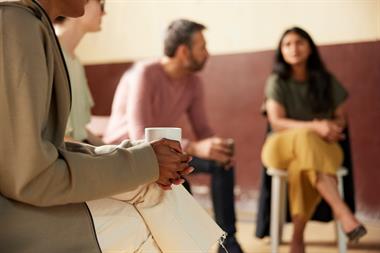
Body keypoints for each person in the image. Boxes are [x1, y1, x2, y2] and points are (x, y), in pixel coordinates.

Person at [0, 0, 193, 252]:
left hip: (32, 189)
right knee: (133, 225)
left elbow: (53, 148)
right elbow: (30, 176)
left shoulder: (31, 25)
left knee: (155, 192)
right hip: (12, 210)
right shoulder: (15, 23)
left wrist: (140, 156)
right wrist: (141, 159)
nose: (102, 6)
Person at [103, 19, 244, 253]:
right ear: (183, 51)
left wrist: (216, 148)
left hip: (164, 152)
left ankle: (228, 243)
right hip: (127, 152)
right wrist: (196, 148)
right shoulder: (145, 74)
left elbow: (203, 129)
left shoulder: (193, 82)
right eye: (202, 47)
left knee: (223, 164)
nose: (207, 53)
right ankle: (183, 244)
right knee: (179, 178)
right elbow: (141, 136)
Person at [261, 27, 366, 253]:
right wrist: (315, 126)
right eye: (287, 44)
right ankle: (342, 211)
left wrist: (331, 127)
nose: (293, 48)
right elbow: (277, 122)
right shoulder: (276, 81)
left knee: (303, 166)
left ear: (310, 48)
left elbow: (340, 120)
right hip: (280, 148)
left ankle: (298, 236)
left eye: (299, 42)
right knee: (306, 137)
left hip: (324, 147)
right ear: (281, 51)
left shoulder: (327, 81)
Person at [54, 0, 105, 146]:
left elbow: (79, 131)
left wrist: (123, 154)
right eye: (100, 4)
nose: (104, 13)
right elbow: (56, 137)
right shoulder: (49, 54)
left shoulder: (75, 62)